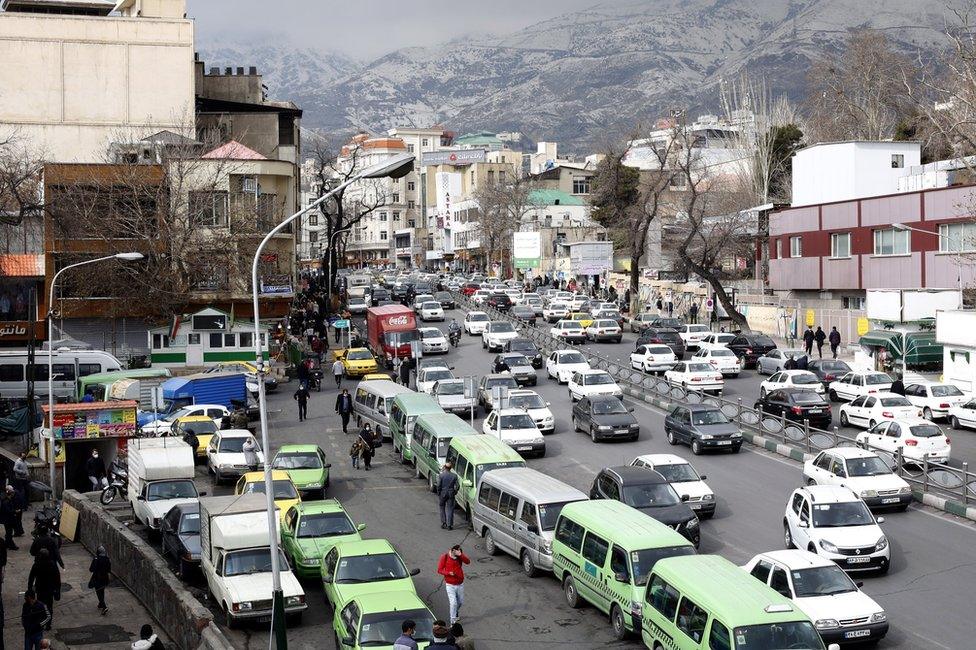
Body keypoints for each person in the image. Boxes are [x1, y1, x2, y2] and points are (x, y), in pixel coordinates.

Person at [27, 548, 60, 630]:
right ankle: (48, 624)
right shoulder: (52, 564)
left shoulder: (37, 564)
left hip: (40, 588)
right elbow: (57, 577)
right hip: (49, 589)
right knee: (49, 606)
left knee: (40, 605)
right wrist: (57, 589)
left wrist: (30, 588)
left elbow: (31, 577)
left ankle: (42, 622)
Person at [437, 544, 470, 625]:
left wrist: (460, 555)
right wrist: (448, 573)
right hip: (450, 585)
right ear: (452, 551)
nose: (455, 555)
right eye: (455, 553)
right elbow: (439, 570)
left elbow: (468, 562)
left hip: (460, 584)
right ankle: (453, 622)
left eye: (458, 553)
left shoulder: (459, 556)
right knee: (453, 603)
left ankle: (455, 612)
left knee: (460, 602)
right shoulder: (445, 557)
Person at [89, 545, 111, 615]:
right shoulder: (107, 559)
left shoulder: (96, 559)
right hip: (105, 578)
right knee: (102, 591)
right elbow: (109, 570)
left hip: (97, 578)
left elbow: (91, 569)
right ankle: (100, 604)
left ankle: (104, 606)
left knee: (98, 592)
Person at [437, 463, 459, 530]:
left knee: (442, 507)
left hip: (443, 493)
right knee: (450, 509)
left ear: (444, 467)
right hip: (451, 493)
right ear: (451, 468)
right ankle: (449, 525)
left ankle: (444, 523)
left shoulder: (441, 475)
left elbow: (439, 485)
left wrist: (439, 493)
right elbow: (457, 486)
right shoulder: (454, 476)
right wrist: (455, 492)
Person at [1, 486, 19, 550]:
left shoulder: (7, 500)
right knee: (9, 533)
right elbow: (8, 511)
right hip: (8, 520)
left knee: (9, 532)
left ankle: (7, 544)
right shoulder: (6, 501)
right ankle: (11, 545)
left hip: (8, 519)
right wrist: (15, 511)